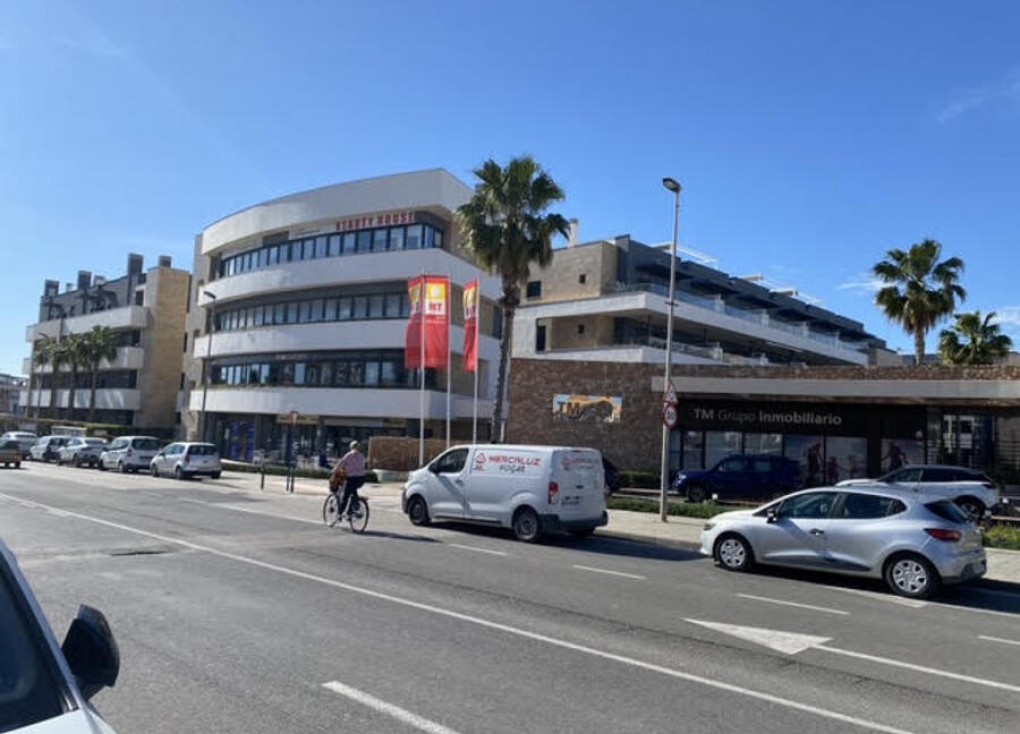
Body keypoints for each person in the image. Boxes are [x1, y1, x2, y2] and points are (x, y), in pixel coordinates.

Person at [331, 440, 367, 519]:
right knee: (353, 491)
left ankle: (340, 514)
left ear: (351, 447)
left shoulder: (349, 455)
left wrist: (333, 471)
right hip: (361, 478)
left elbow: (340, 464)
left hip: (352, 478)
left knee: (346, 496)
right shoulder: (362, 456)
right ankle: (354, 506)